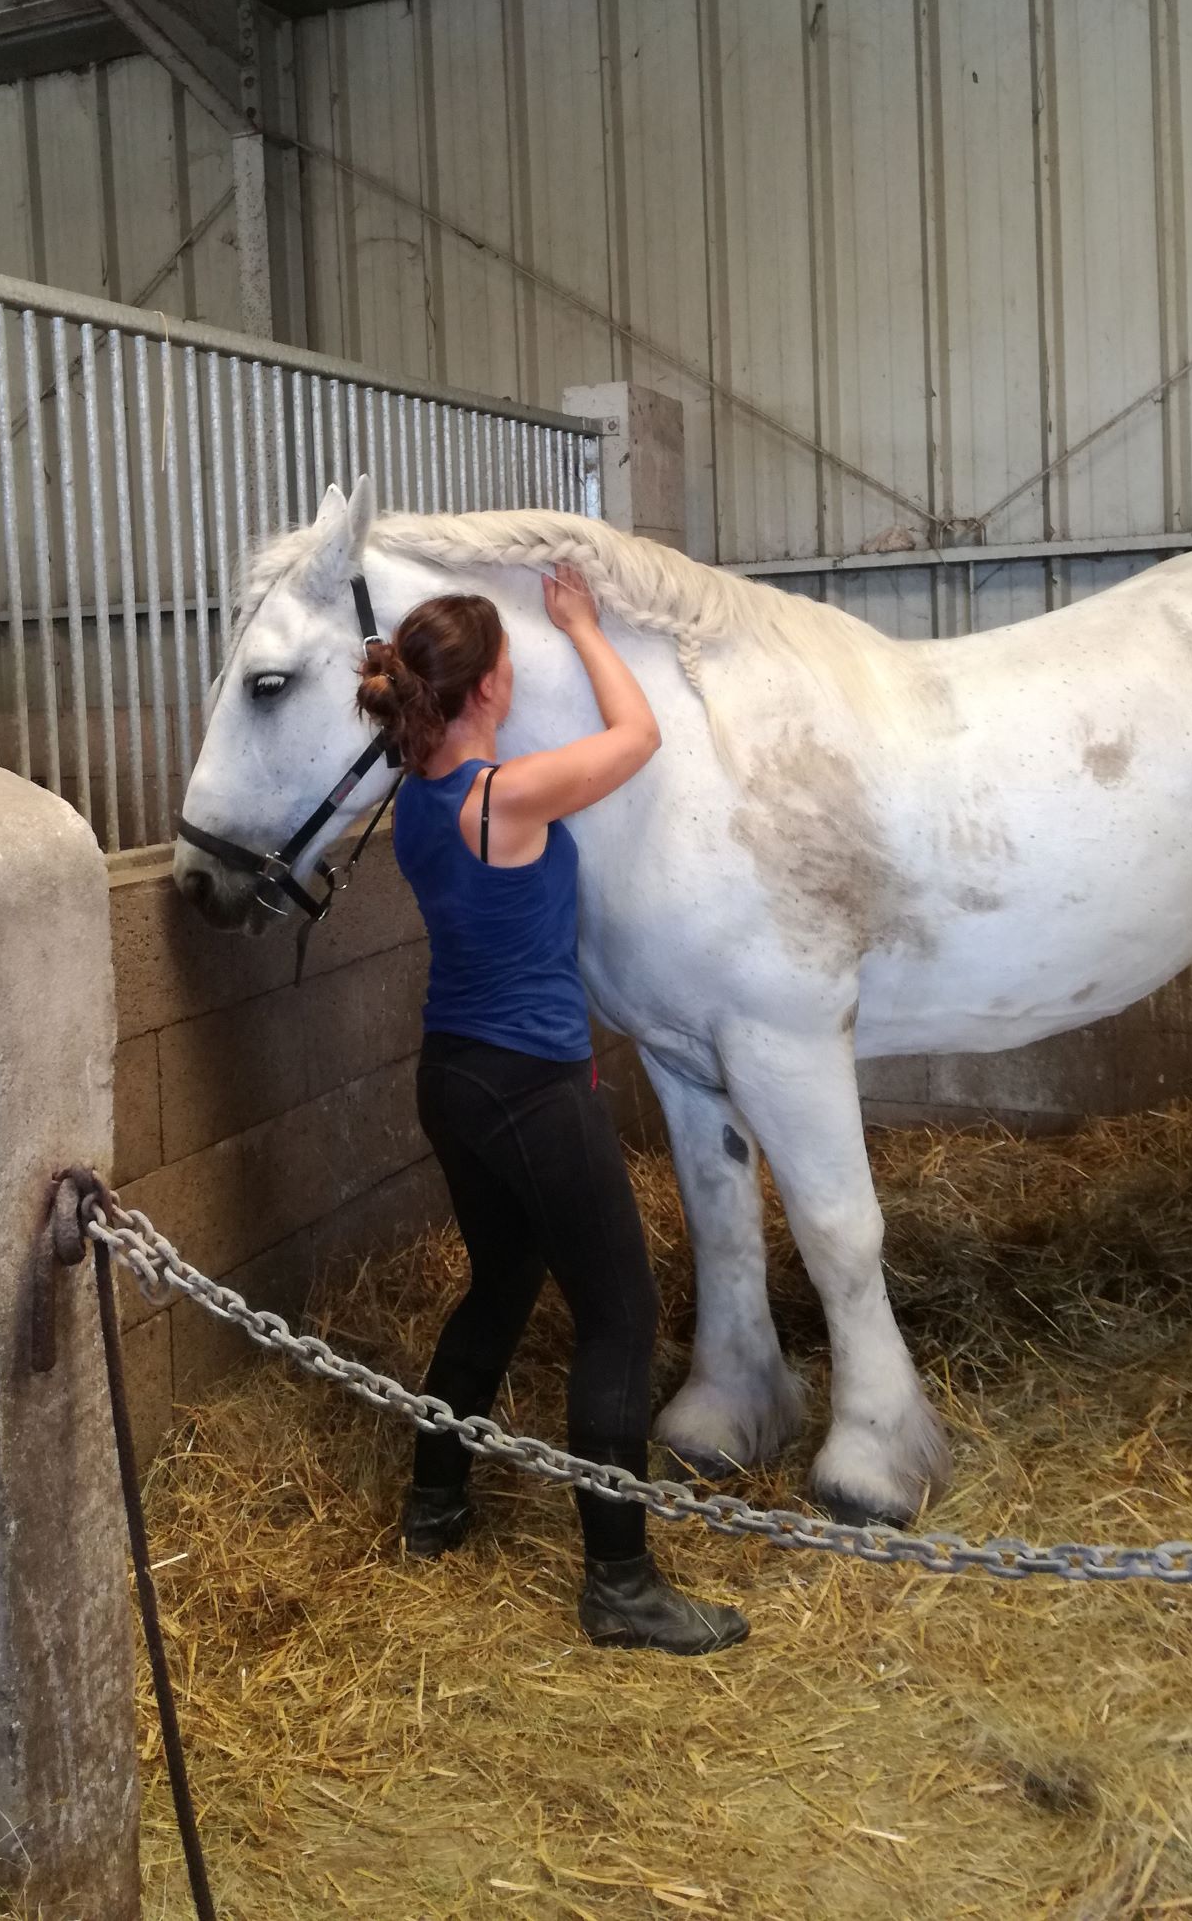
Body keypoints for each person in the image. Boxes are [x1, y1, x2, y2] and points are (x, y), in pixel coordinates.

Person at [356, 565, 749, 1657]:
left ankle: (435, 1501)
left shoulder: (420, 801)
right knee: (619, 1316)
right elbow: (637, 736)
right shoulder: (505, 795)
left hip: (453, 1076)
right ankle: (619, 1581)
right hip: (531, 1084)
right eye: (509, 667)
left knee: (502, 1282)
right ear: (486, 688)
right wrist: (582, 625)